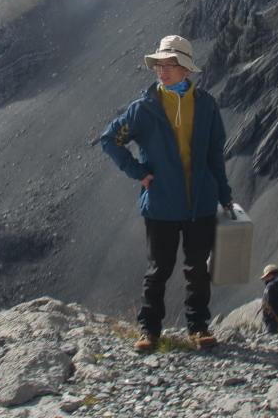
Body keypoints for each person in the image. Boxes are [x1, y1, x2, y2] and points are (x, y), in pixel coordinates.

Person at [101, 35, 234, 353]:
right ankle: (149, 330)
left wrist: (224, 193)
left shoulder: (205, 104)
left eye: (170, 64)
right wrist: (139, 173)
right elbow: (109, 139)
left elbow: (215, 152)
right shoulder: (142, 109)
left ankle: (199, 327)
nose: (163, 70)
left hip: (200, 202)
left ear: (186, 69)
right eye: (159, 64)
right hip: (160, 204)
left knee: (198, 268)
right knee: (158, 269)